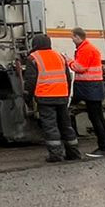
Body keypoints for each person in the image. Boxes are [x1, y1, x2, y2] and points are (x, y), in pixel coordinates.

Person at [24, 34, 84, 162]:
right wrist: (67, 94)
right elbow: (68, 78)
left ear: (35, 44)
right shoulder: (60, 56)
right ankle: (74, 153)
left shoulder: (33, 58)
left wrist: (27, 97)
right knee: (66, 125)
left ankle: (56, 155)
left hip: (45, 97)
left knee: (50, 126)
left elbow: (30, 82)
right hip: (62, 95)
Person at [70, 26, 105, 156]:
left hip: (89, 88)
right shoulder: (87, 48)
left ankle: (103, 147)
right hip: (93, 88)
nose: (71, 39)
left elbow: (80, 68)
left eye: (72, 36)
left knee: (96, 118)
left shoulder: (85, 49)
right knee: (98, 117)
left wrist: (68, 62)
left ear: (78, 37)